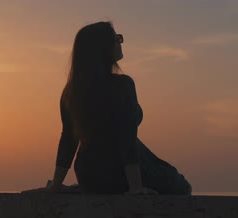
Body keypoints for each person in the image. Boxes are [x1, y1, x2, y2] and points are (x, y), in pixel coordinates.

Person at [47, 21, 191, 195]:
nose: (119, 42)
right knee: (182, 186)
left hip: (88, 175)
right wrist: (135, 187)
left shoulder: (71, 92)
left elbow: (68, 140)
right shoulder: (123, 85)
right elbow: (127, 137)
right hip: (119, 171)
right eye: (115, 38)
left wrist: (56, 184)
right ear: (103, 48)